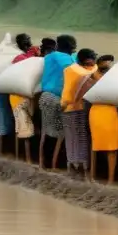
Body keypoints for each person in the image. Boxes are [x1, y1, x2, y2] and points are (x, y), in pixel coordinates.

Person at [39, 35, 76, 170]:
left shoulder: (49, 57)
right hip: (57, 99)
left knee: (46, 132)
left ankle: (42, 164)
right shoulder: (68, 60)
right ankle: (53, 165)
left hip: (45, 97)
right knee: (59, 134)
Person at [83, 55, 118, 185]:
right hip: (109, 113)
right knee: (112, 149)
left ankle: (92, 176)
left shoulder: (92, 77)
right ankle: (110, 181)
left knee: (95, 146)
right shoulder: (112, 79)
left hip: (96, 113)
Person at [61, 48, 97, 177]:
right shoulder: (86, 74)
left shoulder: (70, 69)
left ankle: (72, 165)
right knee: (81, 139)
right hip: (78, 108)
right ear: (88, 60)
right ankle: (82, 168)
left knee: (71, 138)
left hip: (66, 108)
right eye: (93, 58)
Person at [9, 35, 40, 163]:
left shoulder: (19, 58)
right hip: (27, 97)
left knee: (22, 128)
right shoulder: (34, 57)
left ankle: (23, 156)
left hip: (19, 98)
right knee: (26, 129)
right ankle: (27, 159)